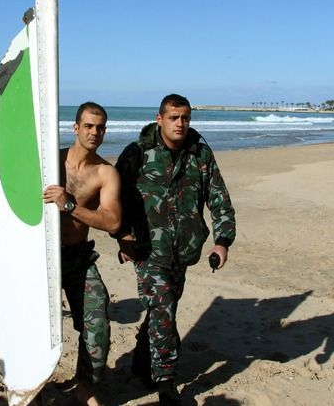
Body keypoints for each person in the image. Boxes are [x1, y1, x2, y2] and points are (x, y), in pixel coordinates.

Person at [114, 94, 236, 406]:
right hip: (147, 250)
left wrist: (222, 242)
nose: (180, 123)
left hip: (183, 250)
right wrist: (123, 238)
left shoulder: (199, 152)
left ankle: (142, 363)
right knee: (164, 308)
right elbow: (114, 197)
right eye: (173, 117)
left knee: (161, 310)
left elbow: (218, 195)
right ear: (159, 119)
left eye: (185, 118)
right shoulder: (138, 152)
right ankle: (166, 383)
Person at [42, 102, 121, 406]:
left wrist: (71, 206)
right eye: (88, 126)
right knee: (32, 324)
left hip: (77, 257)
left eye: (100, 127)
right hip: (41, 257)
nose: (95, 132)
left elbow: (112, 220)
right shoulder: (51, 160)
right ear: (75, 128)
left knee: (97, 323)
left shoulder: (105, 173)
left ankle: (85, 387)